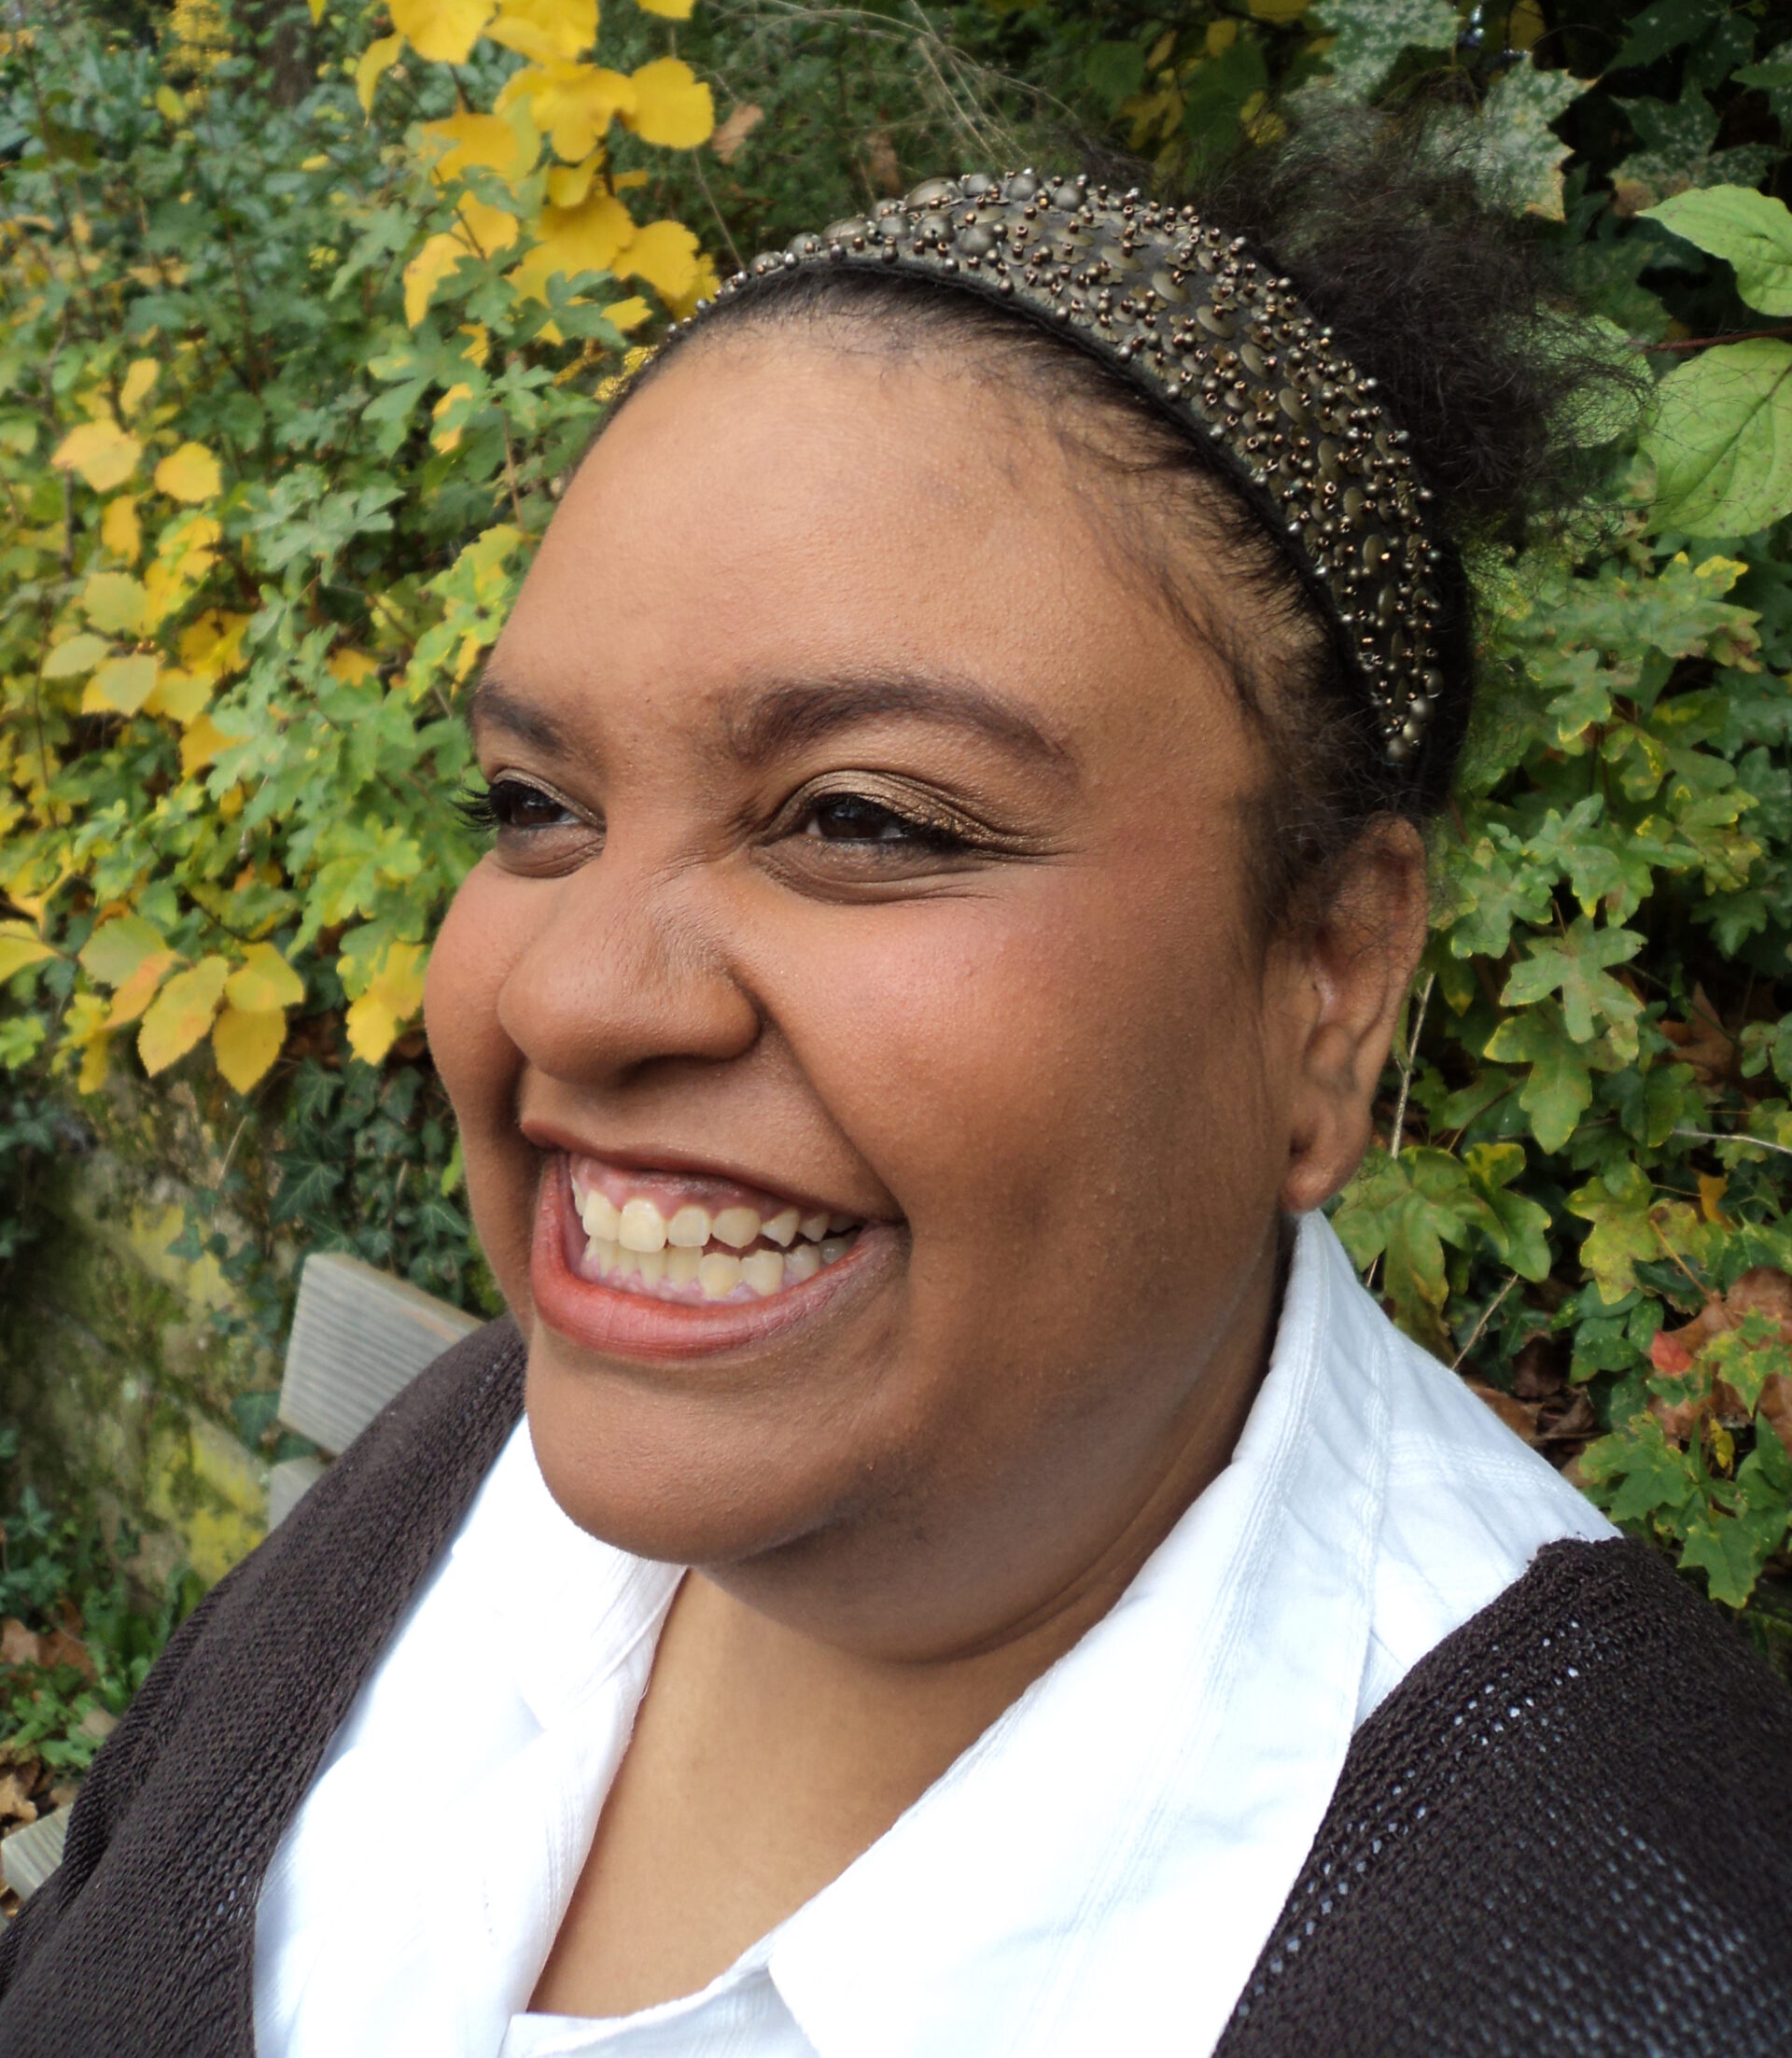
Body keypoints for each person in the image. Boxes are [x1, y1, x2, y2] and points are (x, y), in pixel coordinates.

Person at [4, 134, 1789, 2058]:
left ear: (1332, 977)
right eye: (535, 806)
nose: (570, 995)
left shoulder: (1658, 1964)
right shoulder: (454, 1474)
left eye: (863, 820)